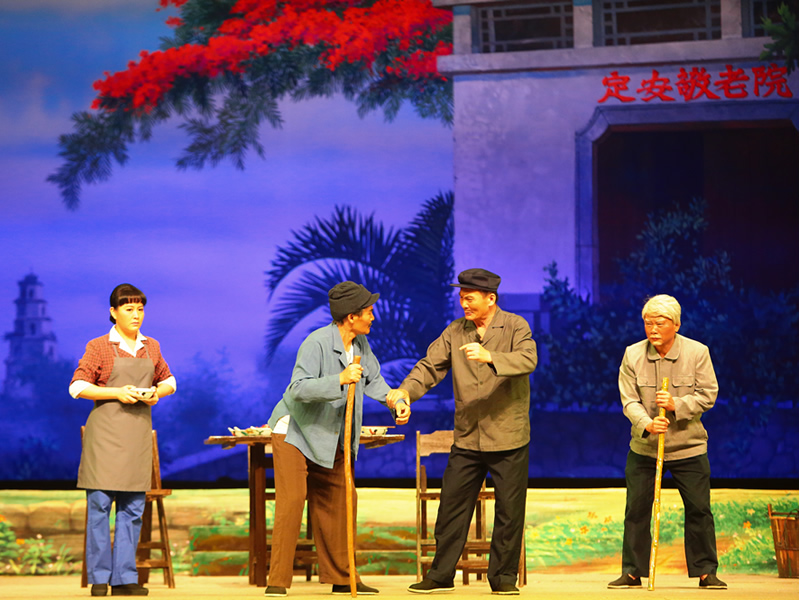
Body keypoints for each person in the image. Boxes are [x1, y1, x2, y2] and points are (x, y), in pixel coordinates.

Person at [392, 268, 537, 596]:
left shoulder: (515, 326)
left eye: (469, 298)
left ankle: (503, 578)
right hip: (469, 436)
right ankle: (441, 574)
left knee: (509, 511)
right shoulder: (456, 331)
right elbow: (429, 366)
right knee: (452, 506)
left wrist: (490, 356)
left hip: (508, 436)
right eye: (461, 297)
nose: (464, 304)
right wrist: (405, 393)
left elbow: (528, 359)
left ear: (491, 299)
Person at [264, 281, 411, 597]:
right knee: (293, 501)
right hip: (295, 432)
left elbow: (374, 381)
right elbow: (298, 388)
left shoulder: (360, 345)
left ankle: (344, 577)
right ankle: (277, 580)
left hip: (330, 436)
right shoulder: (317, 342)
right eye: (369, 312)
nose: (373, 317)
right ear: (351, 316)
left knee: (343, 500)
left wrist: (395, 401)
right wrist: (339, 379)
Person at [608, 294, 726, 590]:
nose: (653, 329)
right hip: (645, 448)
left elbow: (708, 394)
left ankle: (706, 571)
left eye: (660, 323)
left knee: (699, 509)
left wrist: (677, 405)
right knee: (636, 510)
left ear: (676, 324)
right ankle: (632, 572)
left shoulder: (697, 352)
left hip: (689, 447)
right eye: (648, 323)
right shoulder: (632, 354)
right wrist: (647, 423)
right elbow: (628, 400)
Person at [70, 284, 176, 597]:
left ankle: (124, 578)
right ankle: (99, 578)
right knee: (100, 507)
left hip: (136, 436)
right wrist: (117, 392)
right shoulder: (99, 346)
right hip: (105, 437)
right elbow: (77, 386)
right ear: (113, 312)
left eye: (140, 309)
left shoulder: (151, 346)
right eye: (129, 309)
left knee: (132, 510)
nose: (136, 315)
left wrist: (156, 392)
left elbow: (170, 381)